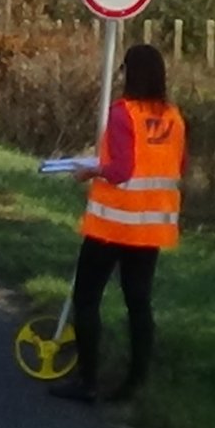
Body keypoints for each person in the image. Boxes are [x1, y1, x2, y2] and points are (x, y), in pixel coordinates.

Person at [50, 43, 186, 405]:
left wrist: (91, 170)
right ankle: (135, 382)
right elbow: (178, 165)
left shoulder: (123, 113)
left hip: (112, 225)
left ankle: (88, 381)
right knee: (139, 302)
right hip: (151, 227)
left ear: (130, 73)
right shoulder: (174, 116)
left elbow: (122, 171)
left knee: (87, 298)